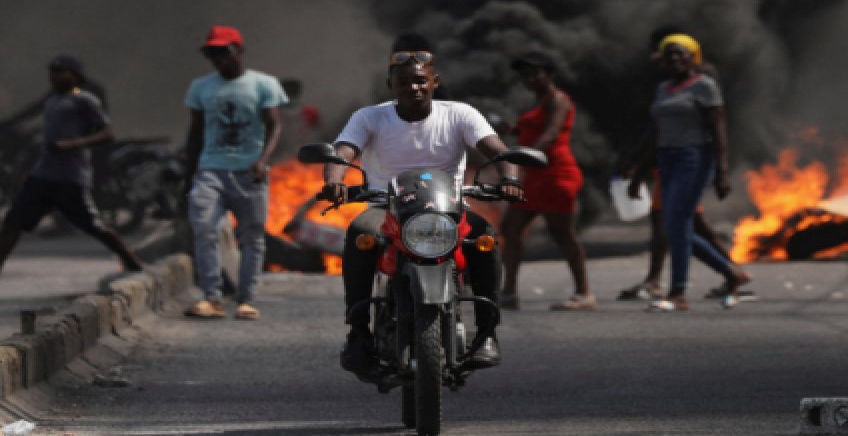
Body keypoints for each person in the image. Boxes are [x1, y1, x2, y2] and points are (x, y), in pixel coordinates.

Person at [322, 50, 523, 375]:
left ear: (434, 82)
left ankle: (487, 333)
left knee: (485, 236)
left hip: (449, 209)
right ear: (391, 86)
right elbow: (343, 152)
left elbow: (497, 149)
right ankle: (358, 333)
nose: (413, 87)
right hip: (385, 209)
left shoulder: (460, 114)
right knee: (360, 234)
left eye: (420, 80)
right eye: (404, 82)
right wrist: (334, 181)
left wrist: (509, 178)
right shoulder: (369, 117)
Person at [619, 27, 742, 302]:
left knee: (676, 222)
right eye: (669, 55)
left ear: (693, 58)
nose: (675, 59)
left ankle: (678, 291)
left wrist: (722, 171)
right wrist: (638, 170)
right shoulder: (664, 89)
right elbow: (657, 132)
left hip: (694, 157)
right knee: (675, 225)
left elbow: (719, 129)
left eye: (680, 54)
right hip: (667, 158)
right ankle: (730, 273)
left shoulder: (704, 86)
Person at [0, 55, 144, 275]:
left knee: (94, 226)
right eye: (53, 72)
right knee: (13, 222)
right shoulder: (53, 99)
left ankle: (131, 261)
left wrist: (74, 143)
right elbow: (33, 111)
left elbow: (107, 133)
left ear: (75, 75)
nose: (55, 76)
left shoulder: (84, 99)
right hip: (42, 174)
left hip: (70, 176)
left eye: (61, 72)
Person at [182, 26, 287, 320]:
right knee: (205, 229)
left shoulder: (263, 84)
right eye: (211, 53)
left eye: (223, 51)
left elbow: (274, 125)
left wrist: (264, 161)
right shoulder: (200, 88)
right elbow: (195, 132)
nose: (218, 58)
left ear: (239, 50)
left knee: (252, 237)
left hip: (249, 171)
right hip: (210, 170)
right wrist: (188, 177)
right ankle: (211, 297)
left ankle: (246, 299)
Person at [499, 50, 593, 311]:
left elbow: (551, 131)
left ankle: (584, 293)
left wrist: (526, 153)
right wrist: (512, 131)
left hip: (556, 174)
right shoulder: (537, 101)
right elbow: (532, 129)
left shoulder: (558, 99)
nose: (528, 79)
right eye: (524, 74)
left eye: (534, 73)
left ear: (549, 74)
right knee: (510, 228)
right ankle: (508, 292)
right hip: (535, 175)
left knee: (563, 234)